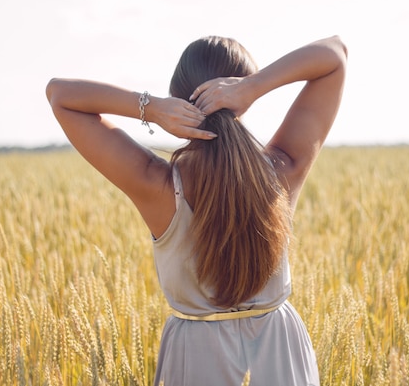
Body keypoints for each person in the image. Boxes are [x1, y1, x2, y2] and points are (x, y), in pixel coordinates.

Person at [46, 34, 347, 386]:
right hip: (280, 353)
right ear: (243, 104)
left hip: (196, 355)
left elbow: (60, 95)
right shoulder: (284, 168)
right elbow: (334, 55)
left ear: (177, 95)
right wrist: (254, 86)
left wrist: (151, 108)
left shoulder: (155, 184)